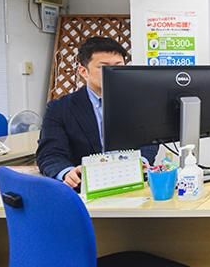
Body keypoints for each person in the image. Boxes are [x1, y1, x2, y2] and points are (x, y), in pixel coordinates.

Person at [36, 37, 159, 188]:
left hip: (133, 183)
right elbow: (50, 153)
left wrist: (143, 161)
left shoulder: (138, 103)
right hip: (84, 188)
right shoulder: (59, 109)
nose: (112, 73)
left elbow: (149, 142)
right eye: (103, 67)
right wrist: (67, 172)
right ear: (84, 71)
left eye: (118, 66)